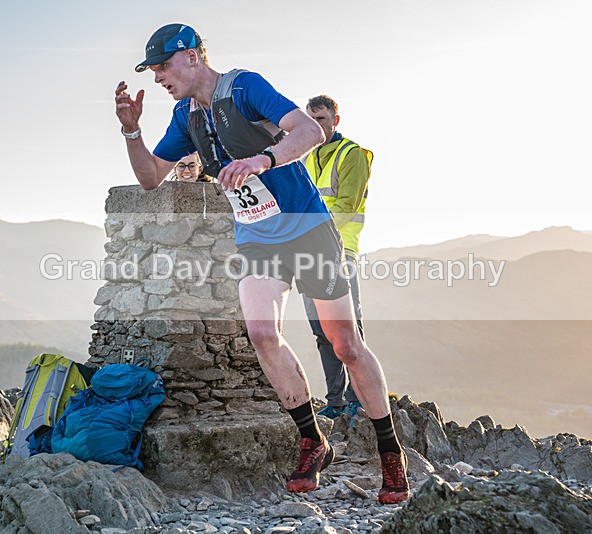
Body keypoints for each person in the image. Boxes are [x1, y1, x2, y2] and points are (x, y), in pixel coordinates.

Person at [114, 23, 408, 504]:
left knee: (346, 343)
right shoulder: (185, 116)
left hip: (308, 229)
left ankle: (389, 452)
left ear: (190, 56)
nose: (159, 77)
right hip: (257, 237)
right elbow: (150, 178)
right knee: (262, 333)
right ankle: (313, 439)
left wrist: (262, 160)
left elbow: (309, 131)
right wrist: (131, 130)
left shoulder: (244, 87)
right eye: (153, 70)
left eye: (163, 66)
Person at [302, 95, 371, 420]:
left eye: (322, 119)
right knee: (321, 331)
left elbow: (347, 205)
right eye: (311, 119)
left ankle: (360, 398)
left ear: (335, 120)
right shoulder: (306, 157)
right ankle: (336, 402)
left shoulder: (352, 155)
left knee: (347, 330)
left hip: (340, 252)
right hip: (306, 255)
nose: (317, 126)